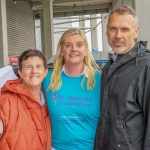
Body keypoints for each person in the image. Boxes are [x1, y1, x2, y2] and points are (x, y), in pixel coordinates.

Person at [94, 5, 150, 150]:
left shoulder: (146, 67)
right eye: (113, 29)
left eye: (125, 29)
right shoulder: (109, 67)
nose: (118, 35)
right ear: (106, 32)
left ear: (136, 32)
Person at [42, 28, 101, 150]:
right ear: (62, 51)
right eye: (68, 45)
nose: (74, 49)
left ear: (85, 51)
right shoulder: (47, 79)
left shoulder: (100, 80)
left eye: (79, 45)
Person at [0, 49, 51, 150]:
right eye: (28, 67)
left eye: (38, 66)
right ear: (20, 73)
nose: (34, 71)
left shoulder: (49, 102)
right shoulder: (6, 100)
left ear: (45, 72)